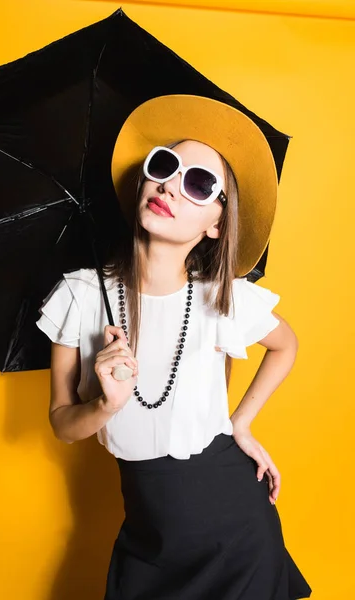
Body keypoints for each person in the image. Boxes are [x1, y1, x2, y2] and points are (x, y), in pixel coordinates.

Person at [36, 95, 312, 599]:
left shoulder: (221, 299)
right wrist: (104, 404)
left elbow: (286, 346)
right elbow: (62, 423)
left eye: (199, 184)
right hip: (149, 541)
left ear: (215, 224)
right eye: (164, 165)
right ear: (143, 180)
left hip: (236, 532)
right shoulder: (79, 294)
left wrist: (239, 424)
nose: (170, 185)